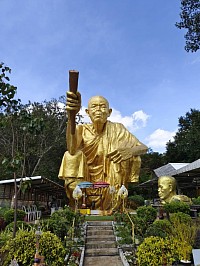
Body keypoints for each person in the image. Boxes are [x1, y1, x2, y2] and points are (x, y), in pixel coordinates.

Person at [58, 92, 148, 210]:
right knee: (71, 155)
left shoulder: (118, 129)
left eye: (103, 106)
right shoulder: (81, 129)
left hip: (111, 179)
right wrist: (71, 116)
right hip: (85, 179)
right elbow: (72, 148)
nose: (98, 110)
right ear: (87, 112)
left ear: (109, 112)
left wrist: (130, 151)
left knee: (122, 155)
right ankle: (80, 204)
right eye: (94, 106)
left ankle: (113, 205)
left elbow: (143, 148)